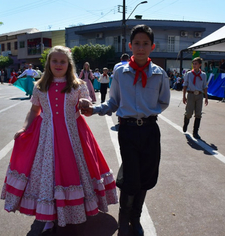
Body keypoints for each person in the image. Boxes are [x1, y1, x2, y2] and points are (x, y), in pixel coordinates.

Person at [1, 46, 118, 236]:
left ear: (69, 64)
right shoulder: (40, 86)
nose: (58, 64)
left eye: (62, 61)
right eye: (54, 61)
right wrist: (25, 128)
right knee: (47, 175)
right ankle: (49, 216)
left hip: (73, 136)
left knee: (74, 172)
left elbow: (86, 102)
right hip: (46, 136)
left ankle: (74, 213)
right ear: (48, 63)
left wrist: (86, 104)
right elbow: (34, 111)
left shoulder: (78, 84)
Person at [81, 24, 170, 236]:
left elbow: (164, 101)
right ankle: (123, 219)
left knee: (146, 177)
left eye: (145, 44)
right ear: (130, 46)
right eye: (137, 43)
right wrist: (95, 109)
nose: (141, 48)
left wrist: (148, 112)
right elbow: (113, 102)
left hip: (150, 130)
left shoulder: (160, 73)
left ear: (152, 47)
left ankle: (135, 219)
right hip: (128, 130)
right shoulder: (120, 72)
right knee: (131, 177)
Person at [182, 57, 208, 139]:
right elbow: (185, 85)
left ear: (200, 65)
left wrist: (206, 97)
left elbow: (205, 86)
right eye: (193, 64)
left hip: (199, 95)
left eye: (196, 64)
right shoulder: (189, 74)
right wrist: (184, 96)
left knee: (198, 114)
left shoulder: (203, 75)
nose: (194, 65)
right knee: (189, 113)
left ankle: (195, 132)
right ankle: (186, 123)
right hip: (191, 94)